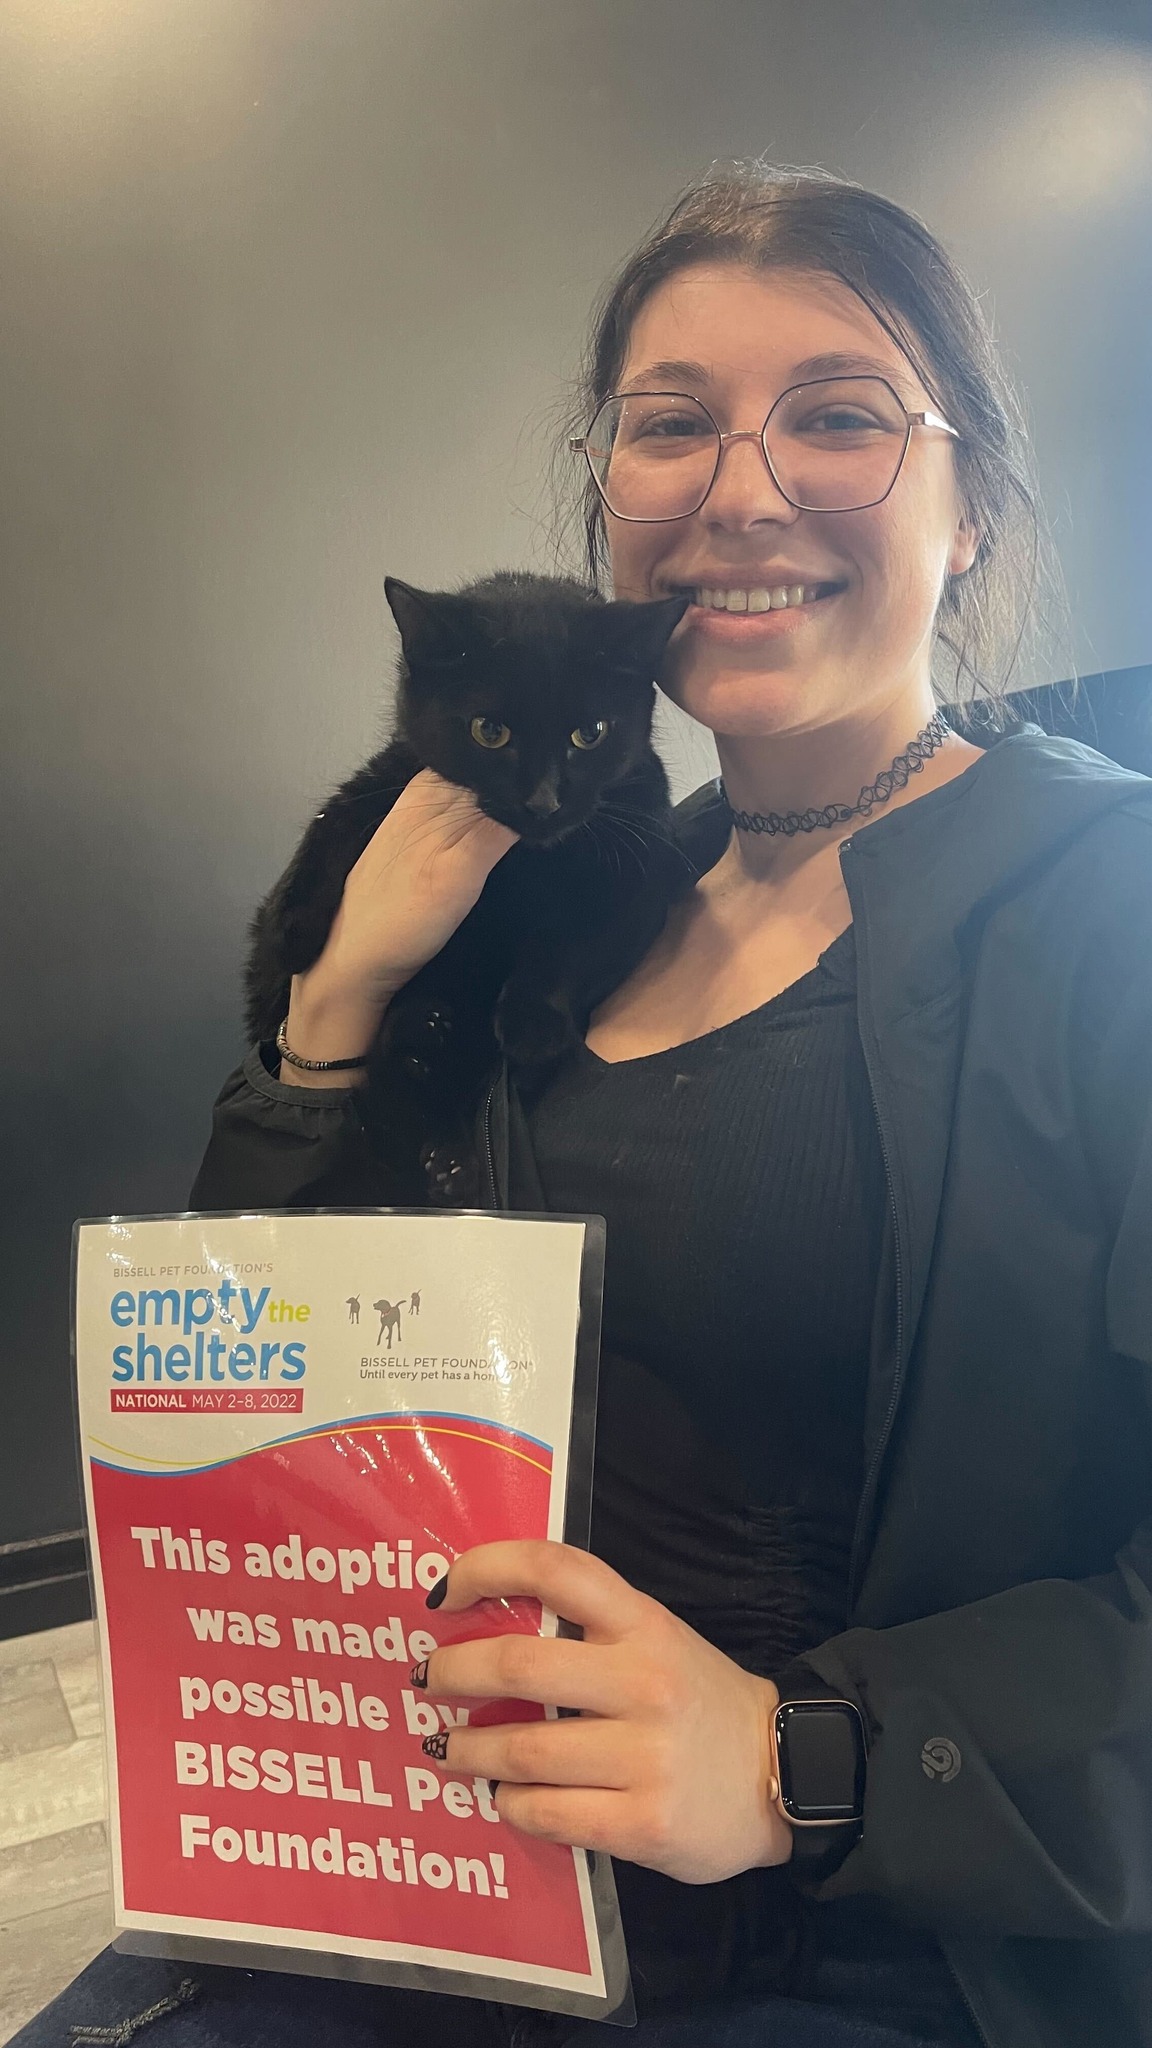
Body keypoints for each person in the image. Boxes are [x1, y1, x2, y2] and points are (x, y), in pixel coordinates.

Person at [20, 165, 1152, 2048]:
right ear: (610, 500)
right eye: (673, 425)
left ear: (973, 513)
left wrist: (799, 1753)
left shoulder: (1116, 909)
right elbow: (260, 1380)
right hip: (419, 1852)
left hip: (851, 1931)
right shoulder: (582, 888)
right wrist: (332, 1016)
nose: (743, 491)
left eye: (841, 417)